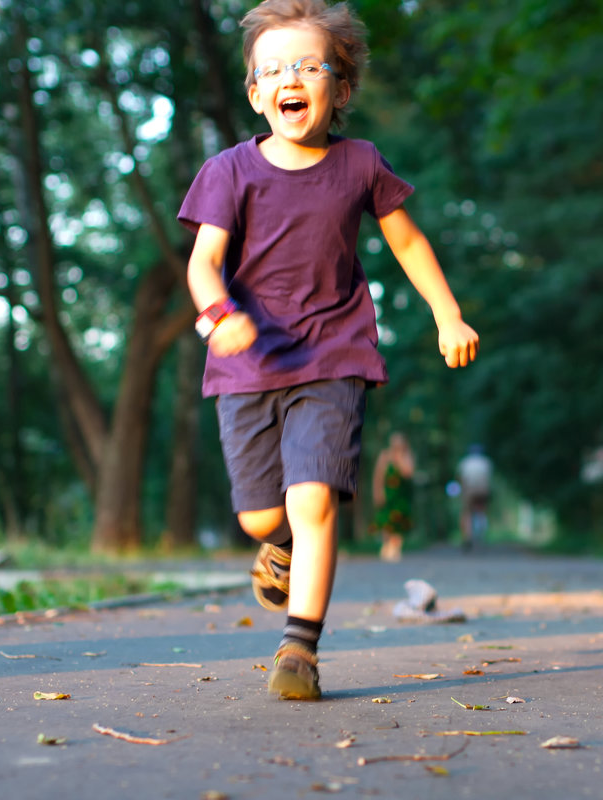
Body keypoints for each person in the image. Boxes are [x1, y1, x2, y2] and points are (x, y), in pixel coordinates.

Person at [178, 0, 478, 701]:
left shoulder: (359, 165)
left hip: (334, 356)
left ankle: (299, 648)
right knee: (262, 515)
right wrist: (217, 315)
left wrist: (448, 314)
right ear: (256, 92)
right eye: (274, 69)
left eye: (309, 65)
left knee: (314, 498)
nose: (291, 78)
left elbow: (406, 240)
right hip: (246, 362)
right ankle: (274, 548)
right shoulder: (228, 171)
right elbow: (203, 263)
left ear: (339, 89)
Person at [371, 431, 415, 562]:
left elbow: (408, 474)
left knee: (399, 521)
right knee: (385, 521)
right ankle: (386, 546)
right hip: (388, 493)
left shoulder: (407, 456)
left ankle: (396, 547)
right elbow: (378, 476)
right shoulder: (384, 456)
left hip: (401, 495)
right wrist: (378, 492)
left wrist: (400, 459)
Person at [456, 444, 492, 551]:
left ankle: (467, 536)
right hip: (483, 490)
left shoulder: (464, 462)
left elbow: (460, 478)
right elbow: (488, 477)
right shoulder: (486, 462)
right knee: (481, 510)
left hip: (469, 489)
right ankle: (481, 531)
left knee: (467, 512)